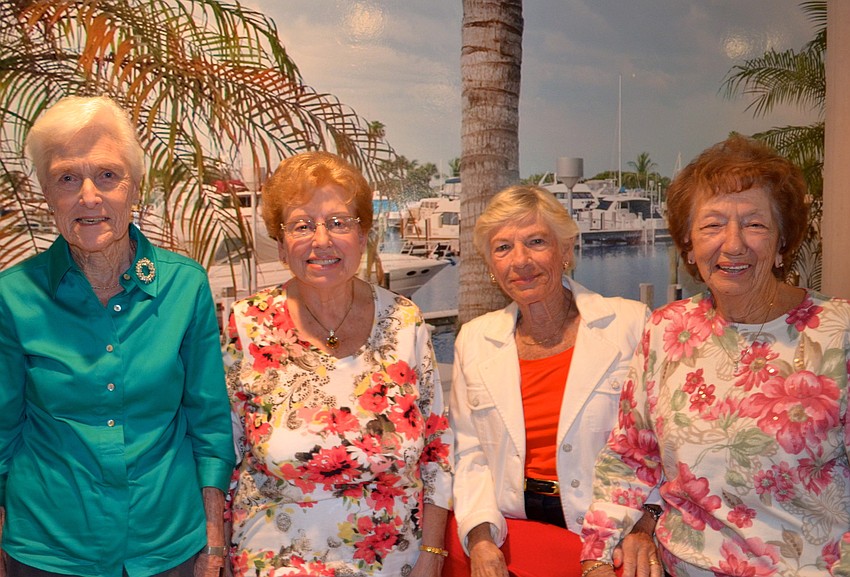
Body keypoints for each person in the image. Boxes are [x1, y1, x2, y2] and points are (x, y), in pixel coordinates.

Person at [579, 135, 850, 577]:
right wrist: (596, 559)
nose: (734, 243)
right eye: (712, 225)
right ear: (688, 244)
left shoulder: (839, 334)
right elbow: (631, 456)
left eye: (755, 224)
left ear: (784, 241)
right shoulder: (667, 329)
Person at [0, 96, 235, 577]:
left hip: (168, 548)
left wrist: (213, 539)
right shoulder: (12, 297)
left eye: (107, 175)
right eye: (68, 177)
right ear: (47, 193)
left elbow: (208, 423)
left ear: (134, 187)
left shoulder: (184, 284)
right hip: (48, 550)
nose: (89, 196)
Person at [224, 151, 453, 576]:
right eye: (302, 225)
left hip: (395, 562)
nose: (322, 240)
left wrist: (433, 555)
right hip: (275, 562)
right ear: (280, 243)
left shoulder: (404, 322)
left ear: (363, 235)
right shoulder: (247, 325)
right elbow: (225, 454)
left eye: (338, 222)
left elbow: (438, 449)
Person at [448, 185, 661, 577]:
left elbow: (662, 445)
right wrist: (480, 538)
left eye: (536, 241)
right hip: (514, 539)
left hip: (612, 536)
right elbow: (469, 453)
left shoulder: (632, 324)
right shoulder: (474, 340)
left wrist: (646, 522)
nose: (521, 261)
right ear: (491, 267)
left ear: (565, 251)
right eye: (503, 248)